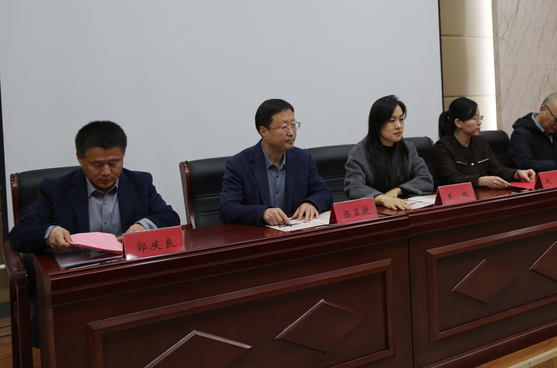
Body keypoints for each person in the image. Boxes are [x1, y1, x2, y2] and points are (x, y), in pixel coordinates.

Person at [9, 120, 180, 254]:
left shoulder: (140, 183)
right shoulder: (56, 189)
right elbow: (19, 235)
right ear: (79, 158)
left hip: (128, 267)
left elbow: (170, 218)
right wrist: (50, 233)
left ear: (123, 156)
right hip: (79, 272)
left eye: (113, 163)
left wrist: (144, 226)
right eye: (97, 164)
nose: (106, 172)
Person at [219, 99, 333, 226]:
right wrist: (263, 213)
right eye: (284, 127)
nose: (291, 132)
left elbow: (324, 193)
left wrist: (311, 203)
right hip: (259, 235)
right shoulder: (238, 164)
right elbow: (227, 209)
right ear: (264, 132)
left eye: (293, 124)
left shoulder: (303, 159)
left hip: (296, 232)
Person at [344, 95, 434, 210]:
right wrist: (382, 198)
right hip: (376, 213)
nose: (399, 126)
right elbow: (353, 187)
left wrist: (398, 190)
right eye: (392, 121)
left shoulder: (408, 148)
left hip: (404, 209)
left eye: (401, 119)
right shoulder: (360, 153)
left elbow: (426, 180)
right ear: (377, 124)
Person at [433, 97, 536, 188]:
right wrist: (481, 181)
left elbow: (497, 169)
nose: (479, 122)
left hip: (481, 195)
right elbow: (453, 179)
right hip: (456, 198)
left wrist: (517, 173)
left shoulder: (480, 141)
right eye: (474, 119)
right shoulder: (443, 147)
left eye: (480, 117)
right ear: (458, 123)